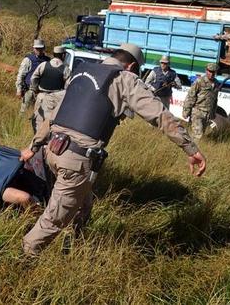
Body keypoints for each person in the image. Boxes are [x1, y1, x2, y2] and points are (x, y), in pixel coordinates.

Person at [19, 43, 207, 255]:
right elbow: (160, 115)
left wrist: (33, 147)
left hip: (53, 150)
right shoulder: (124, 79)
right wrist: (190, 148)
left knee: (83, 205)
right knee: (54, 219)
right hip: (76, 160)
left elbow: (53, 116)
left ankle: (71, 252)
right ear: (132, 66)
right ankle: (23, 259)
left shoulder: (82, 72)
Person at [29, 45, 69, 132]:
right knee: (50, 124)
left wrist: (34, 89)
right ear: (63, 55)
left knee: (37, 121)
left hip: (41, 96)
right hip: (55, 100)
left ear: (54, 54)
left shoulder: (43, 65)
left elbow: (34, 78)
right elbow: (67, 87)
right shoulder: (65, 69)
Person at [182, 63, 219, 141]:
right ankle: (194, 151)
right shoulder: (199, 81)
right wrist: (186, 111)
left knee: (199, 133)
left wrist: (213, 113)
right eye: (210, 71)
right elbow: (191, 96)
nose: (211, 74)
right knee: (198, 135)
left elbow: (215, 99)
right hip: (197, 112)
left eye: (213, 72)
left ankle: (188, 147)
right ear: (206, 71)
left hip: (207, 114)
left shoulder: (216, 83)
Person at [16, 39, 51, 114]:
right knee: (23, 112)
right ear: (34, 48)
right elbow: (21, 75)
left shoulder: (48, 61)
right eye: (37, 48)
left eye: (40, 48)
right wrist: (19, 89)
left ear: (43, 48)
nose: (38, 50)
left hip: (43, 92)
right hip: (29, 90)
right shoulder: (28, 60)